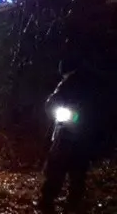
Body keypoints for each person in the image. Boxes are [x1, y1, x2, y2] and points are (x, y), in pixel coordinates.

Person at [38, 54, 112, 212]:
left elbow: (51, 104)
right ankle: (72, 205)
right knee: (78, 174)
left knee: (57, 170)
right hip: (85, 138)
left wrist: (68, 117)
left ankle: (48, 202)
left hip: (67, 137)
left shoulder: (69, 83)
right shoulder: (95, 83)